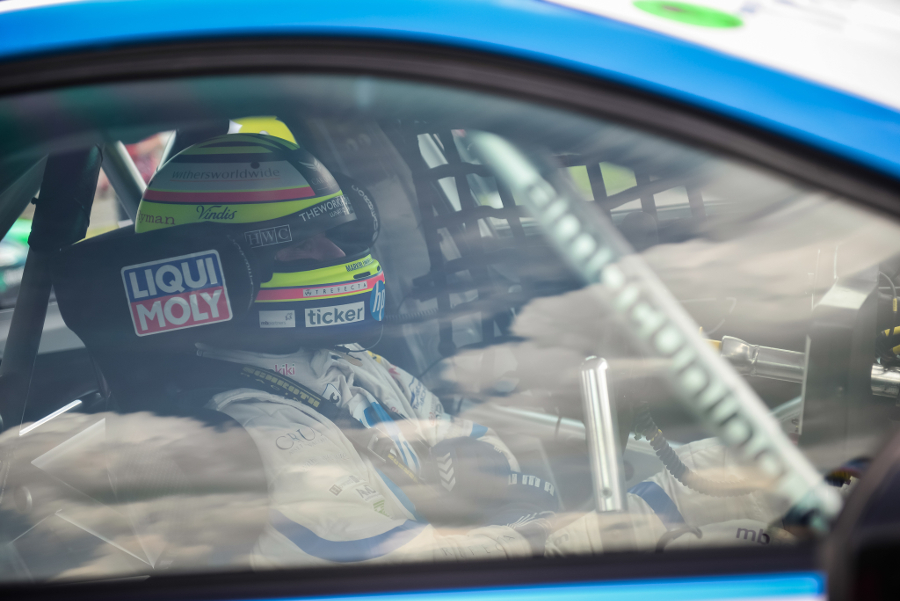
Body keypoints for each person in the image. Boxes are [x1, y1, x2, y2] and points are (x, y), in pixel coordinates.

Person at [133, 129, 557, 568]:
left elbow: (477, 445)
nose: (334, 252)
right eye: (299, 242)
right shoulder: (246, 434)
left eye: (330, 234)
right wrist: (545, 534)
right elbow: (408, 573)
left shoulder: (352, 361)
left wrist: (510, 507)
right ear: (217, 268)